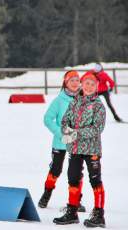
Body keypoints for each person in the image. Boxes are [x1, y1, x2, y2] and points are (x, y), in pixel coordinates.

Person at [53, 72, 106, 228]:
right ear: (82, 84)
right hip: (75, 148)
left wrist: (77, 133)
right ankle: (72, 211)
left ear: (96, 87)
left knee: (95, 179)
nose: (89, 86)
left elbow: (97, 128)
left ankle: (99, 214)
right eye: (86, 83)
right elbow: (65, 120)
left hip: (92, 149)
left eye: (92, 84)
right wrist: (66, 132)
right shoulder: (75, 102)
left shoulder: (98, 106)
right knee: (73, 177)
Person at [38, 70, 85, 212]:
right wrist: (61, 133)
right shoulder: (59, 100)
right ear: (66, 82)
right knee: (55, 170)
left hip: (77, 143)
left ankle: (76, 200)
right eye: (72, 80)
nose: (75, 83)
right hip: (60, 142)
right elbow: (47, 119)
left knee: (77, 172)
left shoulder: (84, 99)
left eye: (77, 80)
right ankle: (46, 195)